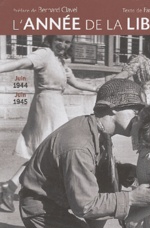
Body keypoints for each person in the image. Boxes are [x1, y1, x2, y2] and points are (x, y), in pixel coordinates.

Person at [0, 79, 150, 228]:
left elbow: (91, 167)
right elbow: (85, 205)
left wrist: (122, 171)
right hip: (41, 209)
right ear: (113, 108)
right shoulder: (79, 144)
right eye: (135, 111)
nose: (138, 119)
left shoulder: (95, 128)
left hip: (57, 201)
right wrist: (132, 198)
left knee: (109, 187)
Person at [0, 35, 98, 212]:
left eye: (67, 42)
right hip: (45, 105)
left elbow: (75, 82)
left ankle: (12, 186)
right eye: (59, 40)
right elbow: (21, 63)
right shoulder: (44, 54)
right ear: (51, 40)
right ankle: (19, 187)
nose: (63, 45)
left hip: (56, 106)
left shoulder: (61, 62)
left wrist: (98, 89)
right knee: (51, 149)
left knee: (48, 151)